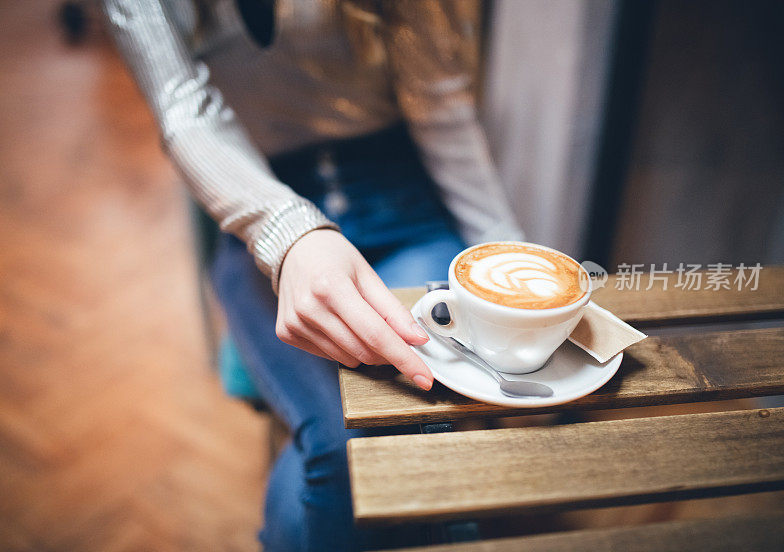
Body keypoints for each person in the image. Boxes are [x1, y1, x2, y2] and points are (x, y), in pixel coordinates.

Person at [101, 0, 523, 549]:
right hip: (260, 209)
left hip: (405, 208)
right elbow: (183, 115)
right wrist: (288, 234)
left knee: (416, 419)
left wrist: (505, 254)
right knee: (339, 442)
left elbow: (443, 111)